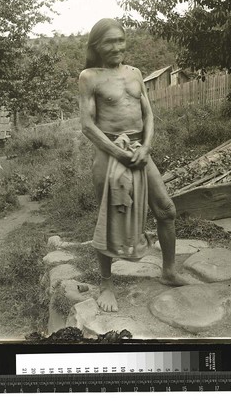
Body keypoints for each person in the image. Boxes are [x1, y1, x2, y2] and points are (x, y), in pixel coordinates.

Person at [79, 18, 184, 312]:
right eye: (109, 42)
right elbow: (87, 125)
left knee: (166, 209)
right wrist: (117, 152)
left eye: (121, 40)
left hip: (140, 151)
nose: (116, 47)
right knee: (106, 218)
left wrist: (146, 147)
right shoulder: (90, 77)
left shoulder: (136, 73)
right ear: (97, 46)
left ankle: (169, 271)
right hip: (109, 152)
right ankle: (106, 284)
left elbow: (148, 115)